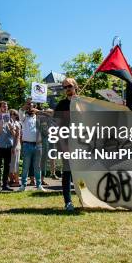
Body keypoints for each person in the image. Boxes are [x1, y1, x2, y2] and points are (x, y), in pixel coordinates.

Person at [54, 77, 78, 211]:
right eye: (65, 87)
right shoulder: (61, 105)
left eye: (69, 86)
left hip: (83, 143)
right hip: (67, 143)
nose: (67, 89)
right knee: (67, 172)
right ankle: (68, 202)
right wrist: (63, 145)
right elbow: (57, 127)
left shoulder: (84, 103)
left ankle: (85, 198)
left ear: (75, 86)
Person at [18, 99, 45, 192]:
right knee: (25, 166)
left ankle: (39, 185)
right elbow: (20, 112)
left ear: (35, 107)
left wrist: (39, 111)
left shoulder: (39, 117)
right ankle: (23, 185)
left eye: (32, 105)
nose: (30, 107)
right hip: (27, 144)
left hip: (38, 145)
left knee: (37, 166)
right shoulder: (24, 117)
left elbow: (50, 114)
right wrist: (25, 106)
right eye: (28, 105)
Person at [0, 101, 14, 192]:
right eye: (3, 106)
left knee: (7, 165)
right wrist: (1, 125)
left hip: (8, 145)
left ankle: (5, 184)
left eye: (6, 106)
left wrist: (11, 127)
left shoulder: (10, 119)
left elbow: (14, 134)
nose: (5, 108)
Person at [8, 110, 22, 187]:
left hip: (15, 145)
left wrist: (14, 147)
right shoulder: (11, 123)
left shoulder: (17, 124)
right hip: (11, 145)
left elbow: (16, 136)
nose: (11, 115)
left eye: (12, 114)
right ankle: (11, 180)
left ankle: (16, 181)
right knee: (11, 164)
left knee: (15, 163)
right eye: (10, 114)